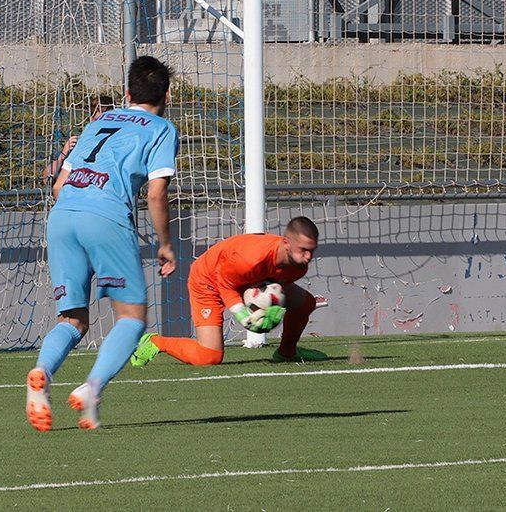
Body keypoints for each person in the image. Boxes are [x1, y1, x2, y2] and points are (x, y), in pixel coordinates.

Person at [25, 57, 178, 431]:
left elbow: (59, 186)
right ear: (167, 95)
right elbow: (157, 193)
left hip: (63, 215)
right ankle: (92, 388)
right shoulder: (161, 128)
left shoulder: (98, 123)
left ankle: (41, 374)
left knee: (73, 320)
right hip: (106, 216)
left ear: (126, 93)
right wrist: (165, 244)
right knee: (132, 317)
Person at [130, 217, 327, 368]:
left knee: (305, 304)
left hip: (244, 279)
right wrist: (245, 317)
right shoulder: (251, 259)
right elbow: (225, 283)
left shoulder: (299, 265)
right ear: (286, 243)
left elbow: (272, 285)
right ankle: (155, 341)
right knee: (209, 357)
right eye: (303, 249)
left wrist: (273, 309)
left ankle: (286, 353)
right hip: (209, 279)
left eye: (312, 250)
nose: (309, 256)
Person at [42, 95, 115, 184]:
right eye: (96, 120)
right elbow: (46, 178)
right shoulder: (80, 143)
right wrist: (63, 154)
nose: (98, 125)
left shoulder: (116, 144)